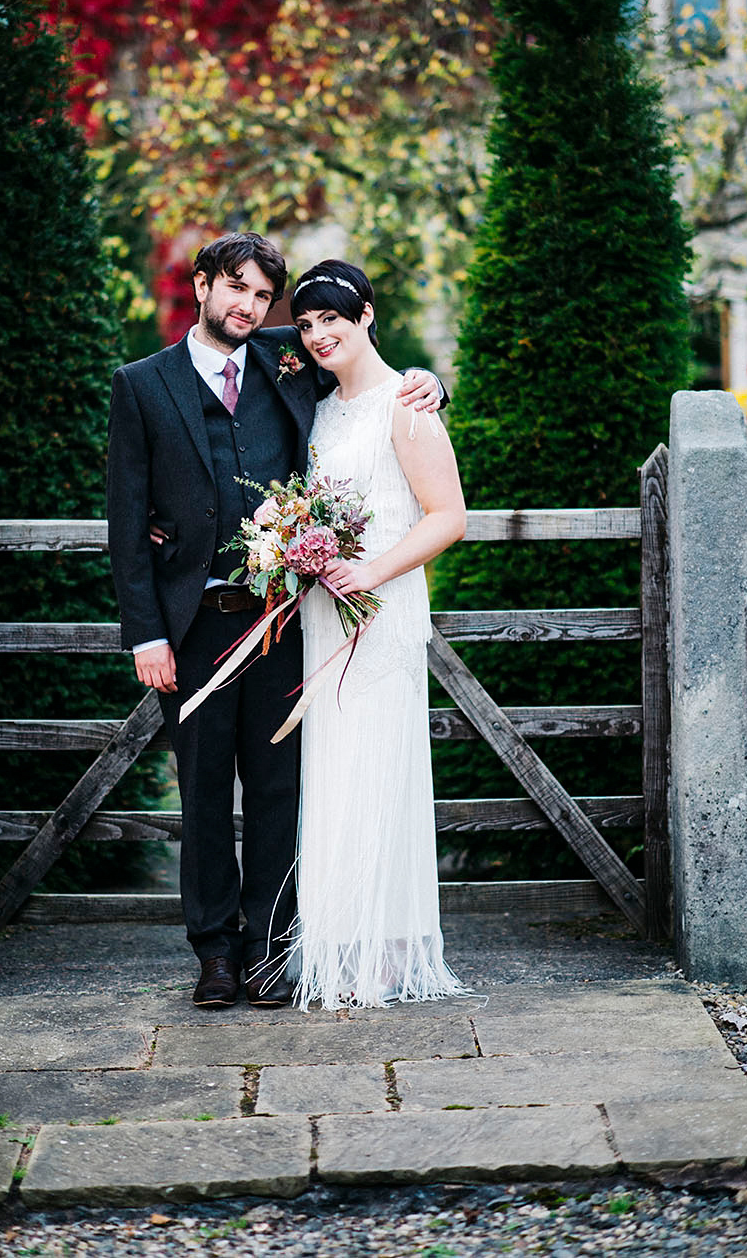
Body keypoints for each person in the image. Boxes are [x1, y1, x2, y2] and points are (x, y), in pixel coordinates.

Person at [106, 233, 442, 1010]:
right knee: (201, 792)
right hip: (191, 632)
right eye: (236, 290)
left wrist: (428, 385)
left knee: (277, 791)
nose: (249, 308)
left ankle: (266, 949)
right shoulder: (141, 384)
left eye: (262, 297)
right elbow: (126, 521)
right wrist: (145, 635)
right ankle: (214, 954)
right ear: (201, 285)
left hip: (287, 624)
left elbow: (358, 351)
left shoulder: (287, 360)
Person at [285, 259, 467, 1009]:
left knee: (379, 769)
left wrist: (374, 572)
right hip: (323, 615)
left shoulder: (409, 402)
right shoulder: (317, 407)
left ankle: (387, 953)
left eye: (333, 317)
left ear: (366, 315)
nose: (319, 334)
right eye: (305, 324)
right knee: (330, 771)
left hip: (381, 613)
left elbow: (449, 516)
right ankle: (336, 942)